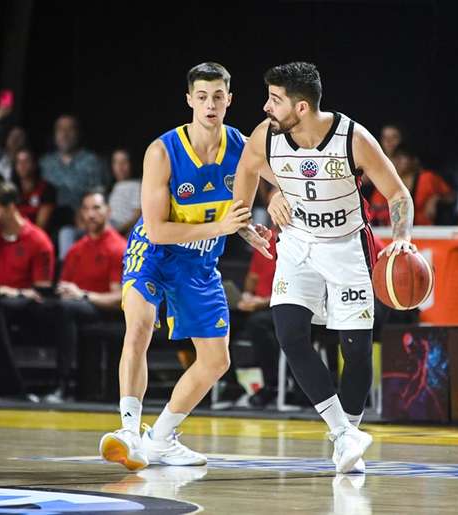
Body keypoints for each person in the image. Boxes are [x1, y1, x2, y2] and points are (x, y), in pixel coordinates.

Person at [233, 62, 417, 474]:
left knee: (354, 352)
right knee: (289, 333)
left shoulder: (354, 138)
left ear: (301, 107)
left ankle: (349, 435)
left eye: (274, 100)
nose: (265, 107)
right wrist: (247, 223)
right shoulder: (266, 136)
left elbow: (397, 193)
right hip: (297, 245)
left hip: (346, 246)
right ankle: (341, 433)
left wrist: (402, 236)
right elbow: (246, 168)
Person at [98, 62, 270, 471]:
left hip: (200, 260)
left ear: (229, 100)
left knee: (217, 361)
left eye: (217, 97)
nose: (210, 104)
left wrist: (249, 228)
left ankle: (160, 438)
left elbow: (274, 185)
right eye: (202, 96)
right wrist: (223, 225)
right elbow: (156, 230)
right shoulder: (162, 151)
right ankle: (127, 428)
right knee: (138, 324)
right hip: (155, 252)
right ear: (189, 100)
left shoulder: (243, 148)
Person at [0, 182, 57, 387]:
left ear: (11, 207)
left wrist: (10, 292)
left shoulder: (38, 240)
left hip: (24, 307)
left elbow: (42, 291)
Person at [54, 188, 126, 400]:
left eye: (96, 208)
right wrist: (67, 292)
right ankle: (67, 382)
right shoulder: (77, 249)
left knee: (67, 308)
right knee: (58, 307)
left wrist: (83, 295)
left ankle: (64, 383)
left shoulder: (117, 247)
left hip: (108, 311)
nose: (91, 214)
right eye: (86, 209)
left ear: (108, 211)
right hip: (80, 308)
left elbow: (120, 298)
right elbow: (64, 285)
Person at [40, 114, 109, 256]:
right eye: (60, 129)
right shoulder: (44, 163)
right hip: (48, 222)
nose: (64, 134)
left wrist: (85, 215)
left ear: (78, 133)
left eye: (70, 129)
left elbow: (99, 195)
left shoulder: (92, 161)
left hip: (80, 222)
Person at [235, 230, 279, 407]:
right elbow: (252, 276)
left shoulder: (296, 242)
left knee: (258, 323)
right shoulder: (265, 241)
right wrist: (246, 295)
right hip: (257, 304)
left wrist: (261, 303)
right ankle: (230, 386)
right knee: (223, 321)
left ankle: (273, 385)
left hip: (279, 304)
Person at [368, 144, 454, 226]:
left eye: (402, 157)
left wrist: (436, 199)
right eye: (395, 158)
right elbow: (375, 207)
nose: (397, 161)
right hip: (394, 234)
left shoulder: (427, 178)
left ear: (414, 160)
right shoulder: (387, 182)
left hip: (427, 233)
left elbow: (452, 197)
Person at [11, 148, 56, 232]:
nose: (22, 165)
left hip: (34, 235)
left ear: (34, 164)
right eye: (19, 162)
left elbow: (41, 225)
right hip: (12, 233)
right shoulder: (10, 189)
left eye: (26, 162)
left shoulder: (47, 189)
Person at [108, 148, 142, 236]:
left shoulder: (137, 185)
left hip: (124, 229)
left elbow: (138, 214)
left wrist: (118, 231)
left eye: (124, 162)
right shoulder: (114, 186)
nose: (120, 166)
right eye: (116, 162)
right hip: (109, 225)